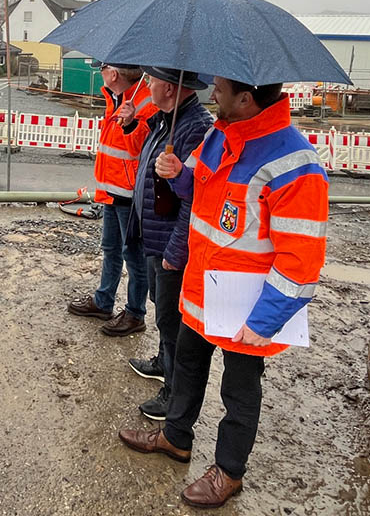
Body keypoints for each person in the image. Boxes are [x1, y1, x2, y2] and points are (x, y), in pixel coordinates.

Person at [118, 78, 328, 510]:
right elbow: (196, 193)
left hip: (247, 308)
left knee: (239, 391)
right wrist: (176, 175)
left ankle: (229, 472)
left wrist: (264, 321)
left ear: (246, 99)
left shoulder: (295, 163)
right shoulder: (219, 135)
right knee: (188, 366)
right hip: (202, 290)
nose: (213, 96)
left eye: (220, 89)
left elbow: (302, 260)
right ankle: (176, 438)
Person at [123, 68, 212, 421]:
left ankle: (173, 395)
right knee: (162, 313)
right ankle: (163, 363)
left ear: (171, 89)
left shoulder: (195, 128)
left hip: (171, 246)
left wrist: (176, 253)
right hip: (154, 238)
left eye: (152, 81)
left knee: (173, 323)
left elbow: (194, 201)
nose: (147, 86)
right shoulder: (166, 121)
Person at [65, 61, 158, 336]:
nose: (99, 72)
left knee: (134, 256)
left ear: (114, 74)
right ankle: (104, 301)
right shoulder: (117, 98)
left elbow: (141, 148)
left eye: (102, 68)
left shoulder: (143, 103)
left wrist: (131, 124)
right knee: (111, 249)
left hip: (129, 194)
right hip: (112, 189)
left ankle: (135, 313)